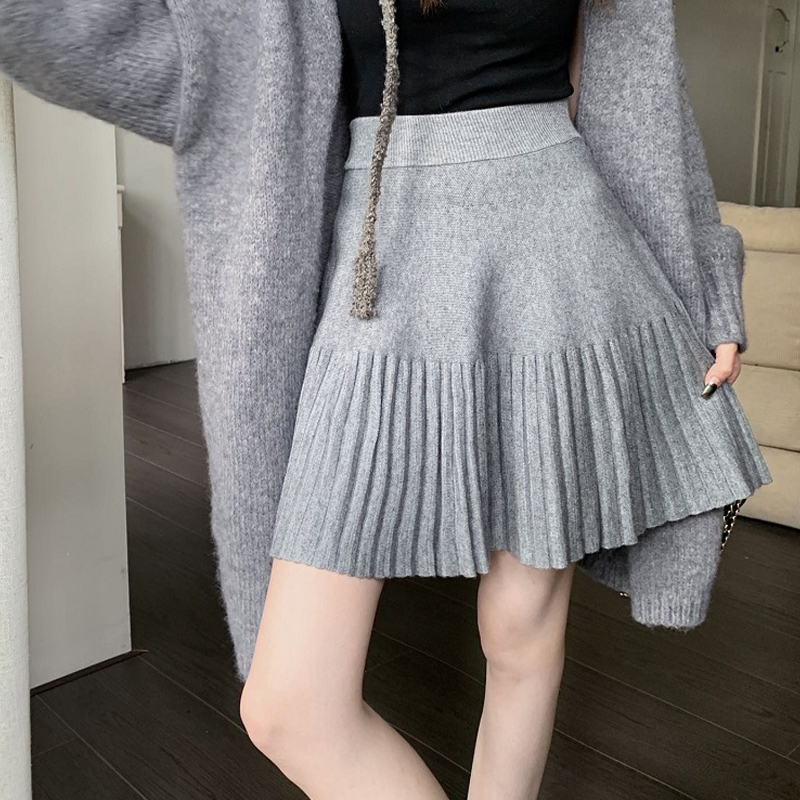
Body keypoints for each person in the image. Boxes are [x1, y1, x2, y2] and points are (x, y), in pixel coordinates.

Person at [0, 0, 772, 797]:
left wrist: (707, 284)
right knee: (288, 707)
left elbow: (643, 95)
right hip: (378, 269)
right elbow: (138, 53)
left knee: (521, 632)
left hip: (559, 261)